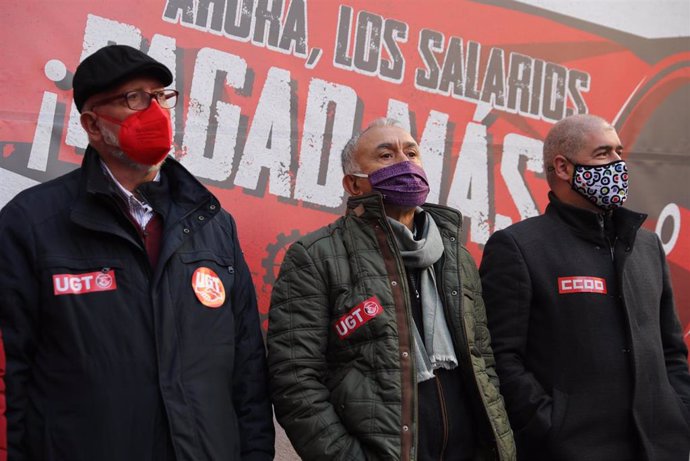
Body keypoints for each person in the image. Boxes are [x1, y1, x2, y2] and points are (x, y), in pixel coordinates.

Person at [0, 44, 274, 460]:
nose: (157, 111)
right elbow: (12, 375)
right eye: (135, 99)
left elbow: (248, 370)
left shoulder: (213, 224)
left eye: (162, 96)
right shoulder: (32, 224)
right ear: (93, 125)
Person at [267, 118, 515, 460]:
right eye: (386, 156)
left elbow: (482, 358)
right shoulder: (315, 256)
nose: (405, 162)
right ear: (354, 185)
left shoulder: (455, 255)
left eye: (412, 152)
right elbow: (296, 379)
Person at [479, 114, 690, 461]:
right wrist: (551, 426)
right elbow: (500, 357)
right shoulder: (519, 247)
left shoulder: (647, 246)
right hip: (571, 449)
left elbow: (671, 350)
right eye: (604, 154)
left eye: (620, 153)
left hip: (659, 448)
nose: (619, 165)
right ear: (562, 167)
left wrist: (679, 412)